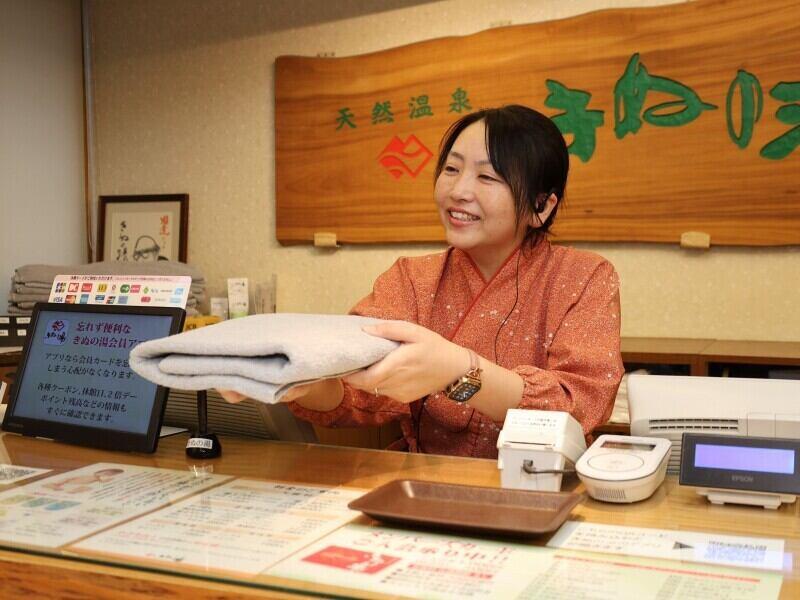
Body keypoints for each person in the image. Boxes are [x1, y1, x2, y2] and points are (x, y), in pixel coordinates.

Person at [220, 105, 623, 458]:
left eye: (487, 177)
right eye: (451, 169)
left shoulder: (584, 276)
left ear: (541, 206)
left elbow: (579, 402)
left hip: (541, 488)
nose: (458, 190)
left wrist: (458, 372)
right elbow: (355, 391)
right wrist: (298, 381)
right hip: (425, 484)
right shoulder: (411, 278)